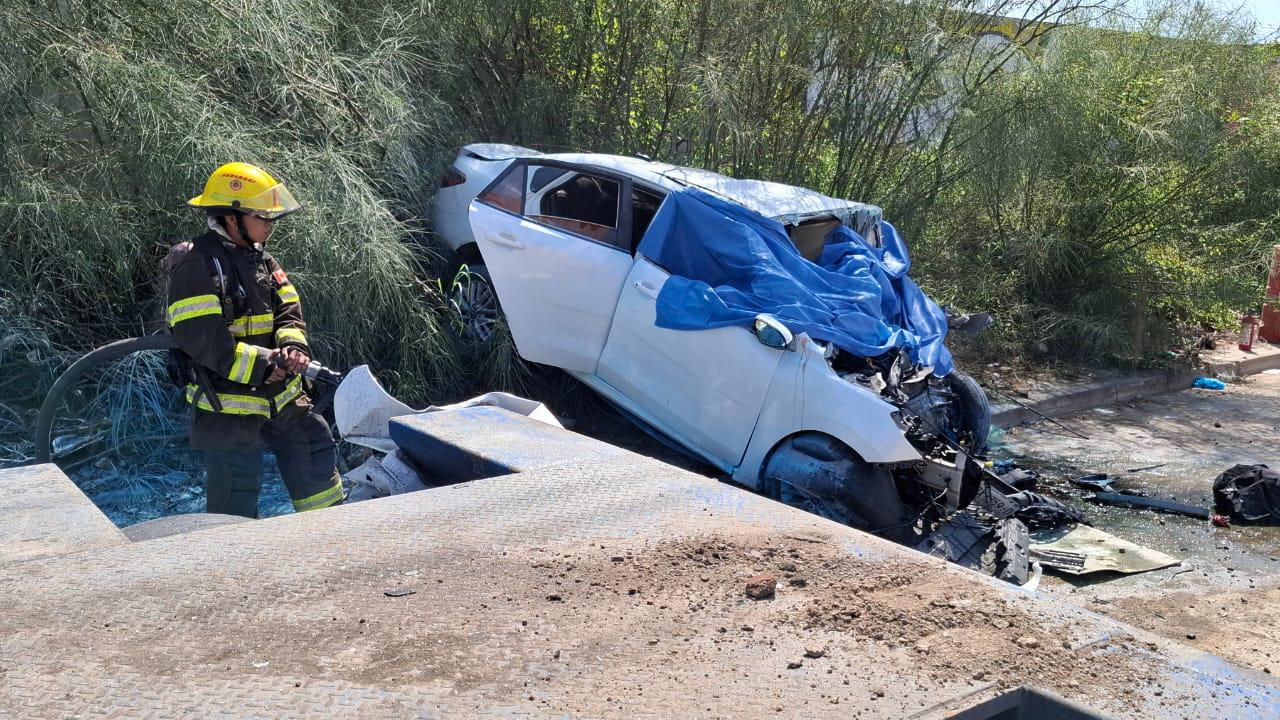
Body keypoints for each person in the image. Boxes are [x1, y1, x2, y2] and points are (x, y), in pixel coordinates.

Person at [164, 162, 344, 517]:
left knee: (313, 452)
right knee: (236, 490)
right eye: (263, 216)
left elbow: (289, 308)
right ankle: (235, 564)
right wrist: (266, 365)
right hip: (227, 404)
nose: (271, 224)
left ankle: (332, 537)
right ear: (233, 218)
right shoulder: (195, 263)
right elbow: (205, 341)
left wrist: (293, 350)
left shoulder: (261, 258)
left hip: (281, 395)